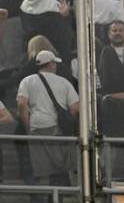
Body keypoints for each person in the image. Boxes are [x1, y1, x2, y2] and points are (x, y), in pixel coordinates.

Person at [17, 50, 79, 193]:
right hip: (57, 129)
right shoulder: (64, 82)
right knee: (58, 166)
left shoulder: (27, 81)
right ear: (51, 64)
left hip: (37, 126)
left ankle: (40, 195)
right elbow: (75, 108)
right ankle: (57, 195)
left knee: (40, 166)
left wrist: (27, 126)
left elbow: (21, 104)